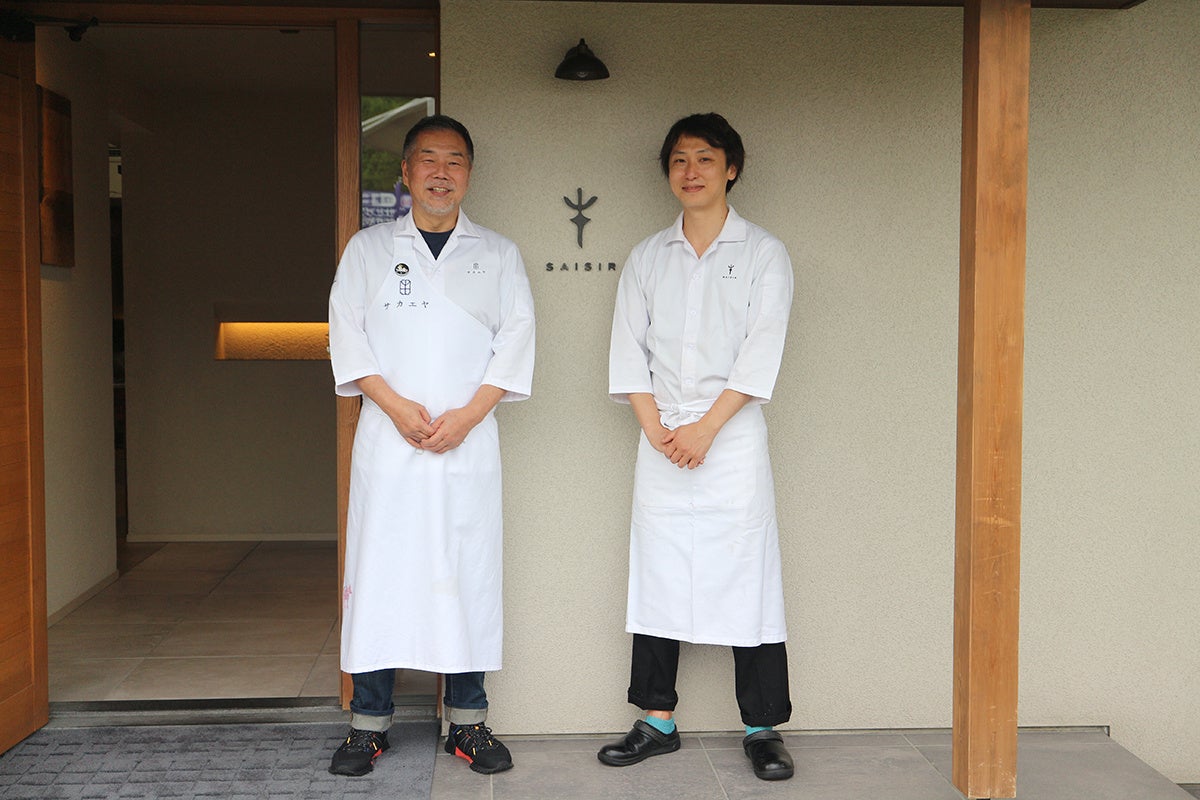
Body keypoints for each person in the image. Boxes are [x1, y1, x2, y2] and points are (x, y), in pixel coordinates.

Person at [327, 114, 535, 777]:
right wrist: (393, 408)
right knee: (380, 575)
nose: (441, 173)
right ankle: (368, 725)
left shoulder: (497, 254)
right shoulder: (368, 250)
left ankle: (467, 722)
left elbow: (516, 341)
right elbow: (346, 337)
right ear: (406, 173)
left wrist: (468, 417)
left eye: (455, 161)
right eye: (428, 159)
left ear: (469, 174)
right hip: (388, 446)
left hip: (466, 445)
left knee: (465, 575)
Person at [600, 113, 796, 781]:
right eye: (680, 159)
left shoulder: (763, 253)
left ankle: (762, 726)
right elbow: (628, 350)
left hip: (731, 438)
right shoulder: (648, 256)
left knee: (748, 574)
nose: (691, 171)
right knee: (656, 572)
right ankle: (656, 718)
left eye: (705, 158)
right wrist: (657, 430)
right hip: (659, 437)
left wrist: (707, 429)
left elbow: (761, 350)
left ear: (731, 169)